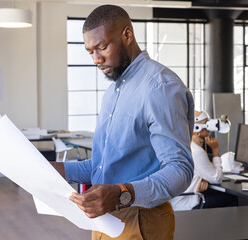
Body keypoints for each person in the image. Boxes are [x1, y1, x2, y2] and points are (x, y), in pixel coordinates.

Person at [51, 4, 194, 240]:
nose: (96, 59)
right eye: (90, 52)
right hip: (104, 219)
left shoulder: (160, 86)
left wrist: (121, 194)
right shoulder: (113, 92)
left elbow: (180, 170)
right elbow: (102, 166)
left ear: (127, 34)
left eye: (102, 47)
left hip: (141, 220)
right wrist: (56, 170)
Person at [170, 110, 238, 211]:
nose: (209, 128)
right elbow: (217, 178)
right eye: (206, 123)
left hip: (175, 203)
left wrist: (203, 178)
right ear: (196, 128)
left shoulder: (183, 145)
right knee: (231, 198)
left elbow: (203, 170)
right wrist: (215, 151)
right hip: (186, 204)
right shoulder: (196, 151)